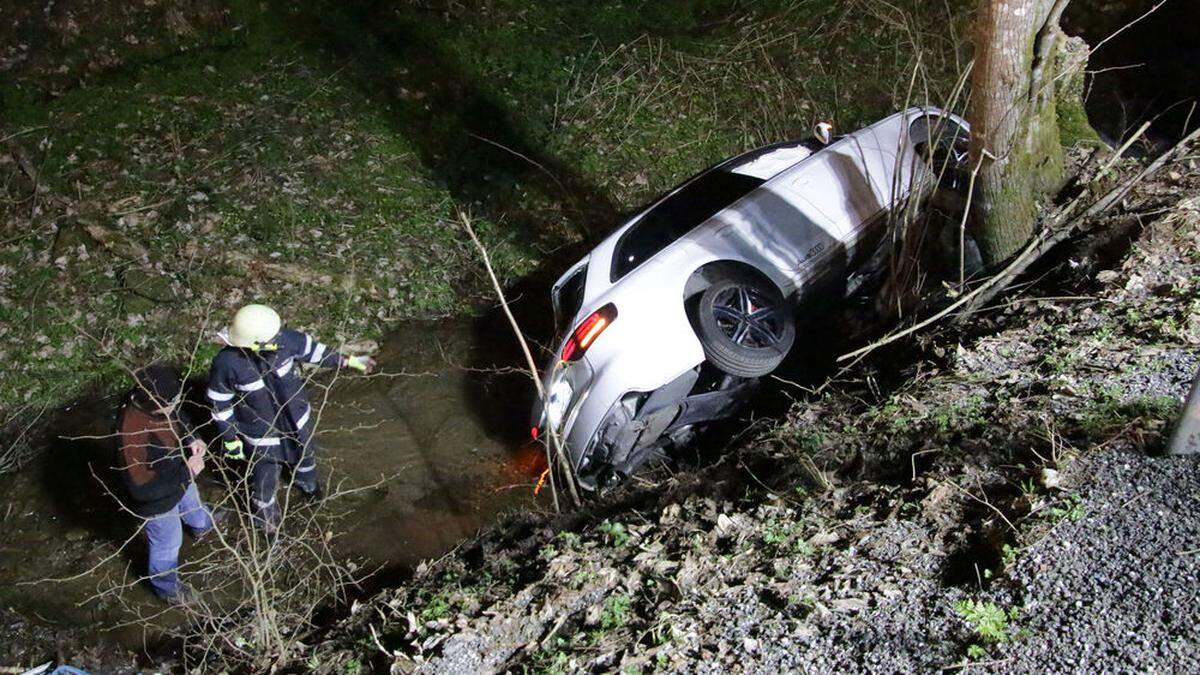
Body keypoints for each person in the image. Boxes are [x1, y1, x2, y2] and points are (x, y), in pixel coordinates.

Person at [205, 304, 375, 532]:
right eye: (272, 338)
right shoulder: (228, 363)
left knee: (306, 459)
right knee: (264, 480)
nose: (278, 338)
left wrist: (352, 362)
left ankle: (310, 489)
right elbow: (220, 404)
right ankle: (267, 525)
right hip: (261, 436)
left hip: (297, 422)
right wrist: (230, 438)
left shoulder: (286, 340)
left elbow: (318, 353)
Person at [116, 364, 214, 601]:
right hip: (157, 502)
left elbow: (177, 415)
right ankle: (166, 587)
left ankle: (203, 526)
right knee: (168, 543)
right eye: (171, 401)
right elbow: (140, 490)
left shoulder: (157, 403)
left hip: (178, 471)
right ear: (155, 403)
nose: (175, 405)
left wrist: (192, 437)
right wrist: (186, 474)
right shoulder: (130, 434)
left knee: (194, 504)